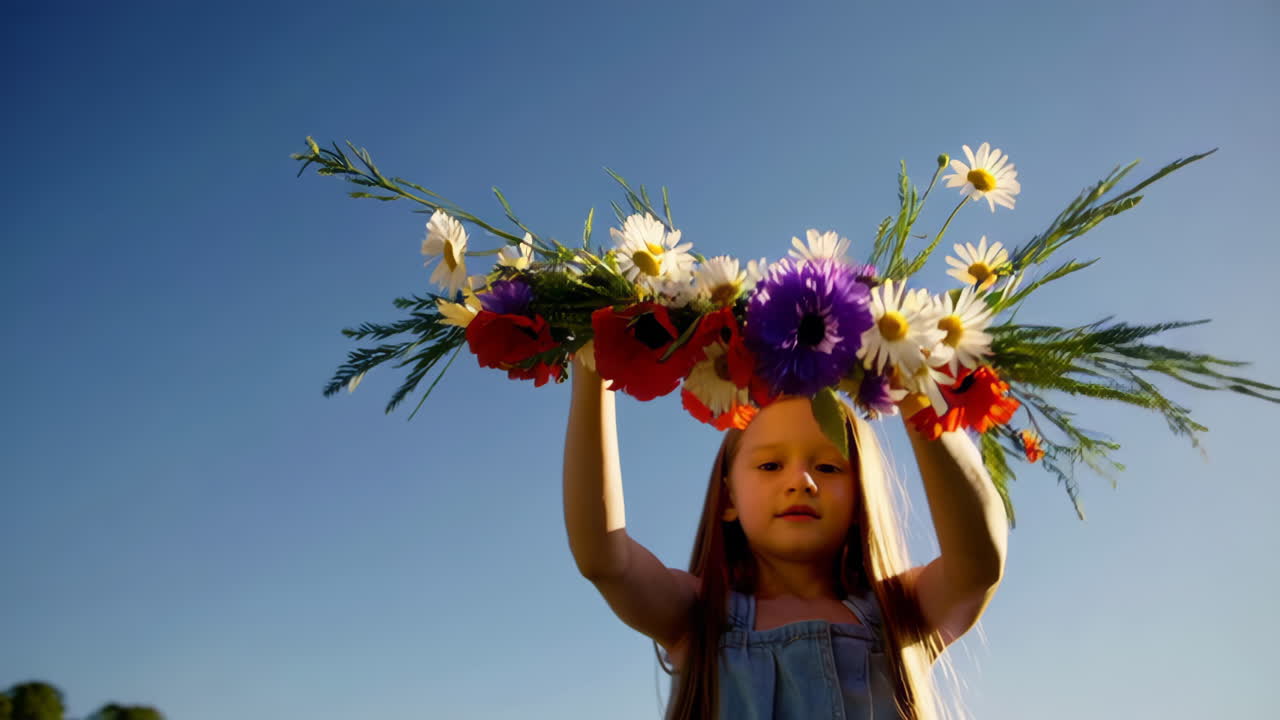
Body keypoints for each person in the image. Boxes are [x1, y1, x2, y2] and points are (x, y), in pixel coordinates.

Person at [563, 354, 1009, 720]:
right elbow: (605, 558)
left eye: (829, 467)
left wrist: (918, 392)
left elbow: (978, 566)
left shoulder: (899, 612)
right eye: (770, 466)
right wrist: (595, 365)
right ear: (728, 498)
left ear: (861, 498)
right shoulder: (699, 612)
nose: (801, 481)